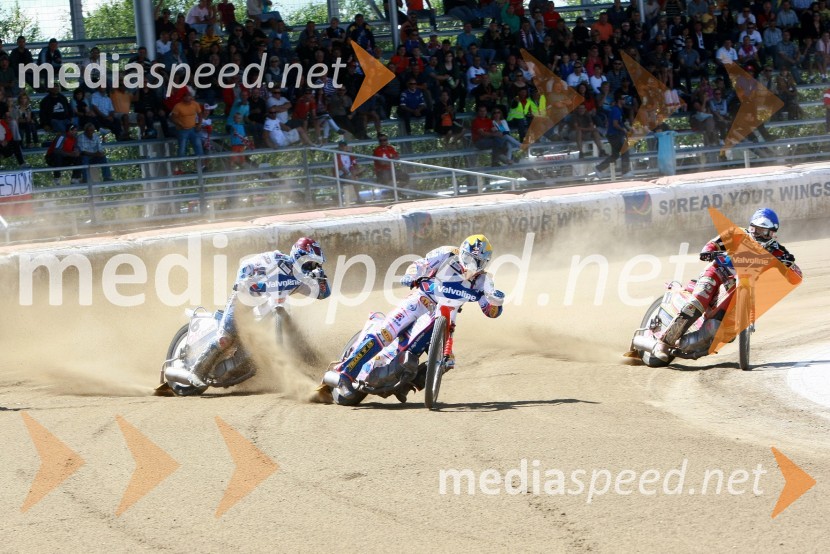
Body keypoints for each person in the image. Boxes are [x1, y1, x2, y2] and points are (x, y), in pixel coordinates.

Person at [327, 235, 505, 401]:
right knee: (386, 332)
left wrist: (496, 302)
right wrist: (411, 275)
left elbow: (490, 311)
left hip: (445, 316)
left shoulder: (485, 281)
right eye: (468, 259)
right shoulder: (448, 253)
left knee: (447, 360)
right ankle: (345, 373)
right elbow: (421, 264)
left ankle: (404, 384)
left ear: (485, 263)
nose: (471, 266)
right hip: (420, 301)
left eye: (478, 262)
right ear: (462, 252)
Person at [651, 208, 802, 362]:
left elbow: (796, 278)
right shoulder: (736, 234)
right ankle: (663, 343)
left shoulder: (777, 251)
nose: (757, 234)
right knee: (698, 302)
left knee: (726, 331)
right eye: (755, 229)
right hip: (717, 273)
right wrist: (709, 251)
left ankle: (706, 336)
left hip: (745, 284)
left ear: (772, 233)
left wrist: (790, 265)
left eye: (763, 231)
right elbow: (712, 244)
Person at [187, 237, 332, 388]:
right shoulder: (275, 259)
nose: (310, 267)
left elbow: (323, 294)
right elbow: (245, 267)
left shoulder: (300, 281)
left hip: (267, 306)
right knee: (225, 338)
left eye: (315, 264)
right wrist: (254, 283)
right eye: (309, 263)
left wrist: (321, 277)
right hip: (244, 298)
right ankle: (196, 371)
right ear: (298, 256)